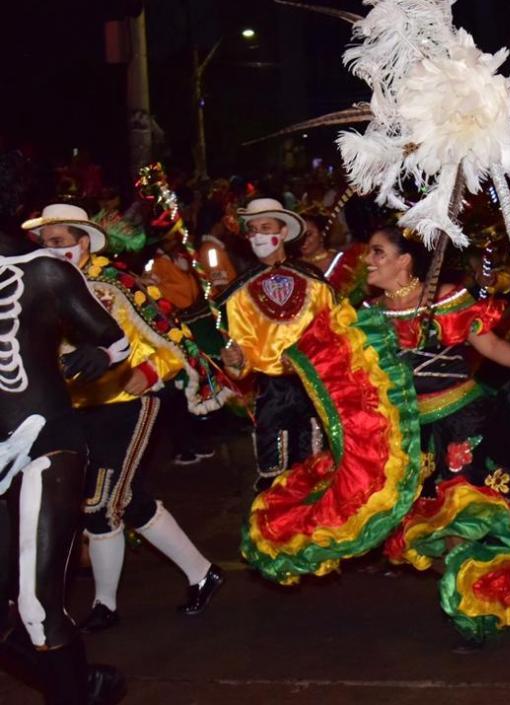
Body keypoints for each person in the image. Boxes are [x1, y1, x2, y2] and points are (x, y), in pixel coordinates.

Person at [241, 225, 510, 648]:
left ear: (405, 261)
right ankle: (476, 581)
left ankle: (472, 610)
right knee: (424, 532)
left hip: (468, 427)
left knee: (463, 519)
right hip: (413, 437)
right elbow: (337, 367)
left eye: (379, 252)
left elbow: (490, 348)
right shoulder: (368, 313)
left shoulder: (447, 298)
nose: (368, 260)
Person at [23, 203, 226, 633]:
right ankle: (202, 573)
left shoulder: (119, 286)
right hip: (73, 413)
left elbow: (173, 343)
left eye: (58, 242)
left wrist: (147, 371)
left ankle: (104, 605)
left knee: (100, 504)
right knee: (128, 499)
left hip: (127, 406)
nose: (50, 251)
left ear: (82, 243)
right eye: (44, 243)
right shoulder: (39, 291)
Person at [0, 229, 129, 704]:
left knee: (36, 605)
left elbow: (115, 341)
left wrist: (98, 354)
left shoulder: (45, 271)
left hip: (45, 440)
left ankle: (72, 691)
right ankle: (80, 685)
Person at [218, 198, 333, 489]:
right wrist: (236, 361)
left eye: (265, 227)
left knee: (316, 470)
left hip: (313, 387)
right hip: (271, 392)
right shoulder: (239, 293)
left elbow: (333, 331)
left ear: (282, 233)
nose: (257, 235)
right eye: (252, 230)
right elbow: (242, 348)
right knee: (274, 475)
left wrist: (309, 359)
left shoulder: (315, 282)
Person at [297, 208, 368, 306]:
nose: (303, 241)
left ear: (322, 234)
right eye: (298, 236)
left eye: (309, 234)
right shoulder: (292, 269)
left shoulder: (347, 262)